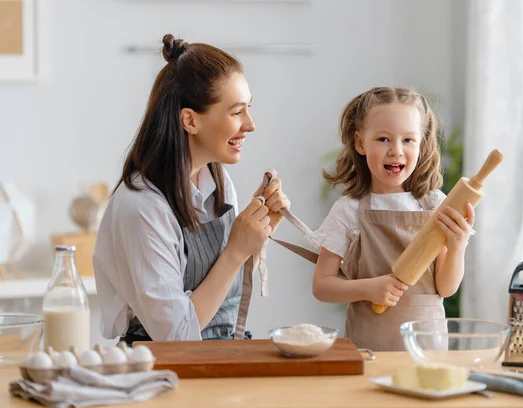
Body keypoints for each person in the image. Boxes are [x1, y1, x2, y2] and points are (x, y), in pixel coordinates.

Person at [93, 34, 290, 345]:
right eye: (236, 112)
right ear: (190, 120)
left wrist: (257, 230)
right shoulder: (142, 207)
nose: (250, 124)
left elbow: (222, 289)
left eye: (248, 109)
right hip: (161, 371)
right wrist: (236, 250)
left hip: (218, 361)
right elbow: (176, 338)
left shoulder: (217, 180)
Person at [310, 87, 474, 351]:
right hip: (368, 350)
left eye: (408, 140)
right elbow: (322, 286)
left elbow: (445, 288)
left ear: (422, 144)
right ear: (360, 143)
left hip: (427, 351)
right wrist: (368, 289)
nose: (396, 151)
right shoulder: (348, 210)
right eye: (383, 139)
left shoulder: (435, 205)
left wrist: (457, 248)